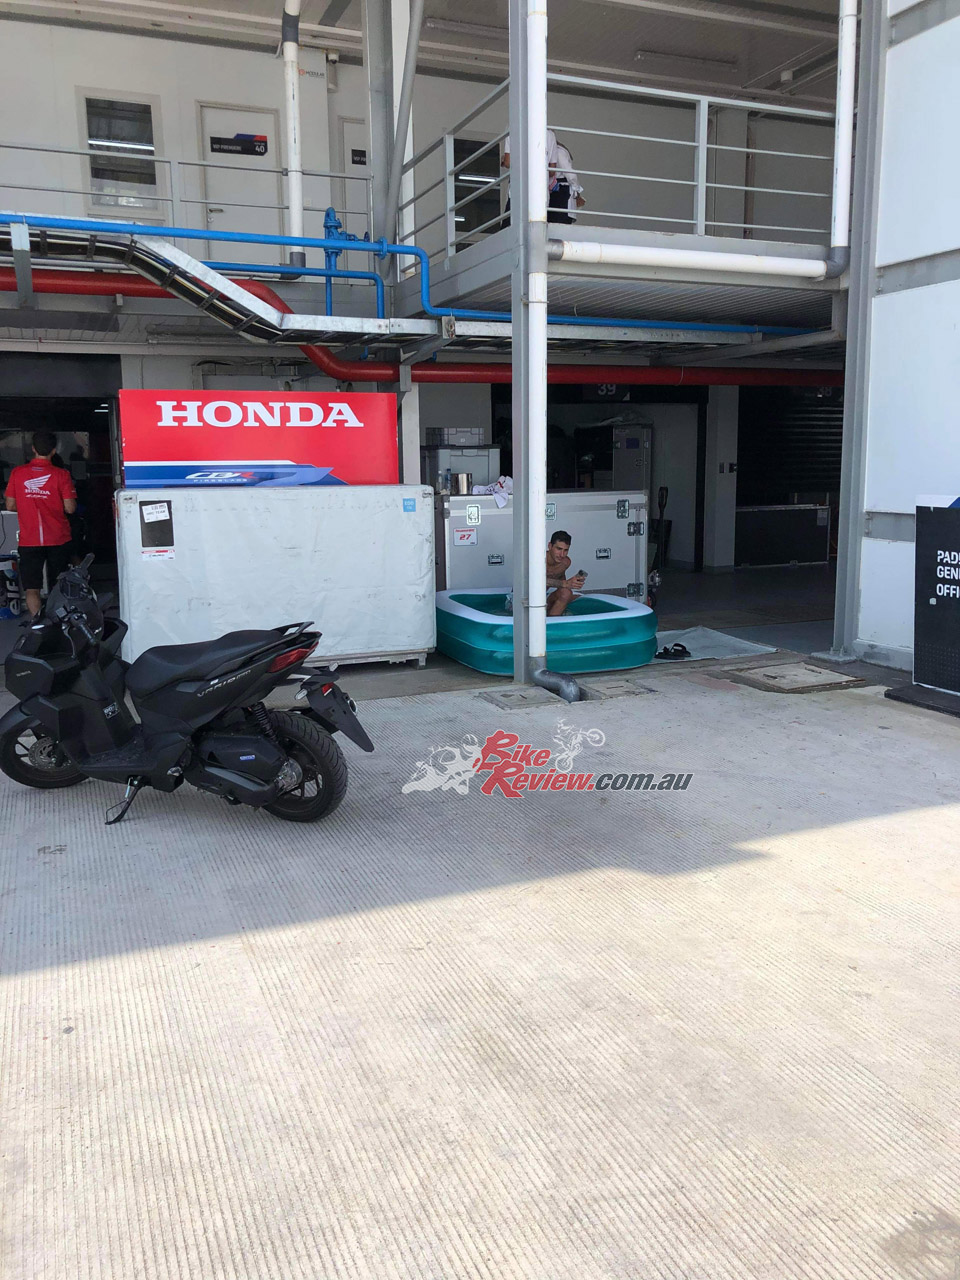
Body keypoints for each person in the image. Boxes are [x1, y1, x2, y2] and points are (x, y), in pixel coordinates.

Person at [4, 430, 77, 619]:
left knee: (32, 588)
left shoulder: (18, 473)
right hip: (58, 538)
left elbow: (10, 505)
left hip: (29, 539)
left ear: (33, 449)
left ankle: (38, 624)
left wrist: (28, 504)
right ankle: (59, 622)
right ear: (54, 450)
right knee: (59, 585)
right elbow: (70, 508)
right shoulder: (62, 474)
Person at [546, 529, 585, 616]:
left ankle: (553, 622)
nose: (562, 554)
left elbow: (561, 582)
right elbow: (535, 581)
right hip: (527, 598)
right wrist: (565, 583)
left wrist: (572, 584)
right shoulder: (539, 560)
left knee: (569, 594)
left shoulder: (565, 562)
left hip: (546, 596)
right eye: (559, 549)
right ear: (550, 546)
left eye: (566, 550)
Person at [549, 141, 585, 224]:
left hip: (559, 192)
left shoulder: (557, 152)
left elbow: (570, 174)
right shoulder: (558, 151)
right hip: (559, 192)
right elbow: (571, 175)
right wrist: (577, 190)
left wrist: (576, 190)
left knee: (557, 221)